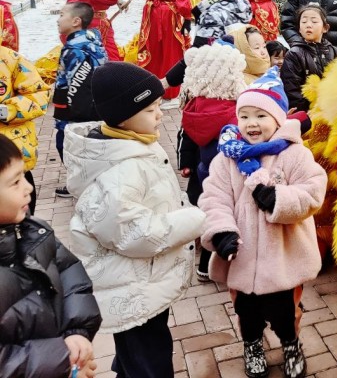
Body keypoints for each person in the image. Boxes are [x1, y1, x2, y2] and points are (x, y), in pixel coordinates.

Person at [64, 62, 206, 377]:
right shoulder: (120, 171)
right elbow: (135, 233)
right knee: (151, 362)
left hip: (138, 284)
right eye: (151, 109)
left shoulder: (132, 146)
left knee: (138, 351)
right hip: (131, 290)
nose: (160, 114)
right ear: (124, 117)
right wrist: (195, 219)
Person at [199, 68, 327, 378]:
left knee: (284, 311)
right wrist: (221, 231)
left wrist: (280, 200)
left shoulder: (294, 155)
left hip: (283, 256)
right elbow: (214, 199)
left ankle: (290, 343)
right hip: (242, 258)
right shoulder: (226, 159)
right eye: (244, 116)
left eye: (260, 115)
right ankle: (252, 344)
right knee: (247, 312)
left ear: (279, 119)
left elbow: (313, 190)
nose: (251, 123)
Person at [0, 134, 102, 378]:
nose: (29, 188)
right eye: (15, 183)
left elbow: (69, 275)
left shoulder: (34, 231)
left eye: (24, 176)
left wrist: (76, 332)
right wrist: (60, 360)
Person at [180, 43, 247, 281]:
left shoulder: (194, 107)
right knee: (227, 218)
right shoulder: (232, 111)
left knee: (212, 215)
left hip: (204, 170)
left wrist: (185, 162)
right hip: (227, 173)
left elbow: (185, 137)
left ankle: (203, 267)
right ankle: (225, 263)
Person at [163, 0, 253, 89]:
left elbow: (198, 55)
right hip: (244, 75)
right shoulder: (241, 6)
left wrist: (166, 81)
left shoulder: (213, 14)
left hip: (218, 81)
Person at [52, 2, 108, 198]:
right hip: (94, 104)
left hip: (74, 108)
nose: (58, 19)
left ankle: (80, 184)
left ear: (76, 21)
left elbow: (76, 85)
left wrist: (70, 114)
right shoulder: (93, 41)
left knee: (66, 143)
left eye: (61, 15)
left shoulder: (75, 49)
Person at [136, 0, 193, 100]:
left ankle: (149, 88)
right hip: (170, 11)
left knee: (151, 50)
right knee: (172, 50)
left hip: (149, 10)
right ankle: (170, 91)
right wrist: (187, 16)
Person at [0, 47, 49, 216]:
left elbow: (39, 96)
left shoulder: (10, 59)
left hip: (11, 151)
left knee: (23, 218)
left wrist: (8, 110)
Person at [281, 4, 337, 112]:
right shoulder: (294, 55)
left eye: (314, 22)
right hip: (308, 114)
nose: (308, 25)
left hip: (335, 111)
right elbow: (292, 91)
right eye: (304, 22)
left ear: (325, 28)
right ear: (299, 29)